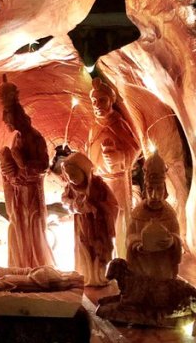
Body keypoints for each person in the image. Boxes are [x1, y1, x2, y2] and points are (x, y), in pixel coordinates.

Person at [0, 75, 55, 269]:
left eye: (10, 123)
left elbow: (44, 166)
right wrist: (9, 172)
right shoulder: (17, 138)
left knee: (34, 225)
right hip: (18, 191)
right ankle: (22, 262)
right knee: (20, 224)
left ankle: (37, 263)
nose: (9, 127)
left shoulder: (36, 138)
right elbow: (12, 163)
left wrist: (23, 165)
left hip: (31, 191)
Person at [86, 76, 139, 257]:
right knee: (104, 220)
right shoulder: (94, 127)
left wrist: (120, 156)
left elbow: (134, 148)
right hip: (100, 181)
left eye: (102, 100)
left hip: (117, 181)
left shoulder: (118, 124)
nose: (97, 105)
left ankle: (122, 256)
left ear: (111, 101)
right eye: (94, 101)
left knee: (119, 218)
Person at [61, 152, 118, 287]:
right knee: (84, 249)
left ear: (84, 171)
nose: (72, 179)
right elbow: (65, 201)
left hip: (98, 226)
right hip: (82, 226)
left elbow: (112, 204)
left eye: (74, 174)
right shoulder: (70, 188)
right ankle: (86, 275)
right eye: (69, 176)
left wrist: (96, 207)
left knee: (99, 251)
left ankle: (100, 276)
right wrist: (75, 206)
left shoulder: (97, 186)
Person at [126, 151, 181, 281]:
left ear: (164, 190)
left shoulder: (169, 214)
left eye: (159, 189)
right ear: (145, 189)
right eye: (150, 189)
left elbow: (177, 237)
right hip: (143, 271)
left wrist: (172, 241)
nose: (154, 195)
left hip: (164, 272)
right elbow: (129, 238)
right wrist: (137, 244)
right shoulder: (138, 214)